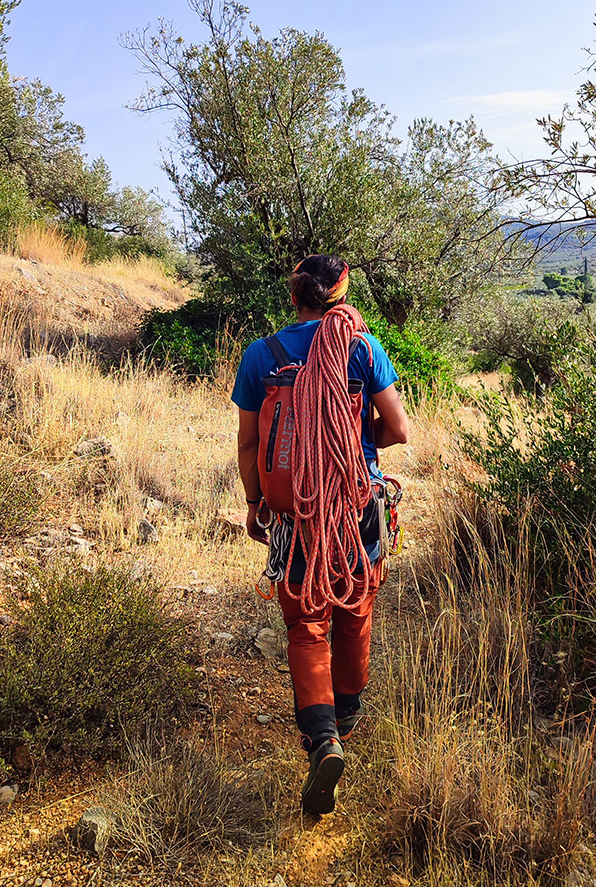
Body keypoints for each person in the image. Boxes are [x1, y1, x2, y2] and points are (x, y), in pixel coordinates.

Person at [232, 254, 409, 814]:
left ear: (294, 298)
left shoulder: (263, 356)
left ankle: (323, 738)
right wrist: (353, 442)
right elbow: (398, 428)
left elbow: (248, 444)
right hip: (357, 506)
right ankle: (347, 719)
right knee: (355, 610)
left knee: (306, 624)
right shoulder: (361, 345)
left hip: (295, 514)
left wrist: (256, 503)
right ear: (340, 292)